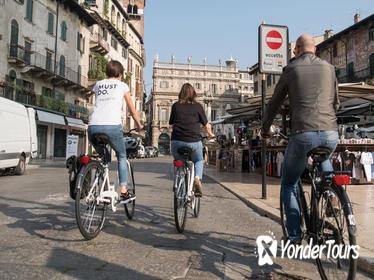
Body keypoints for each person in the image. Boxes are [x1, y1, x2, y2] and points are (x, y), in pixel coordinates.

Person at [262, 34, 340, 243]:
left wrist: (265, 129)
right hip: (331, 133)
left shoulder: (291, 69)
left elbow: (274, 104)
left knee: (289, 183)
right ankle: (331, 192)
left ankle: (295, 236)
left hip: (302, 133)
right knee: (324, 160)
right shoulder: (330, 68)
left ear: (296, 49)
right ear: (314, 49)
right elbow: (336, 103)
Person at [88, 60, 143, 203]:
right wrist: (138, 125)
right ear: (120, 74)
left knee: (104, 158)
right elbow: (131, 109)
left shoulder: (98, 84)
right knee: (121, 156)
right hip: (112, 126)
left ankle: (99, 185)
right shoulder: (122, 85)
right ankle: (124, 192)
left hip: (93, 126)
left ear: (107, 73)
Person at [169, 83, 215, 196]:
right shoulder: (198, 106)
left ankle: (179, 188)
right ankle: (197, 180)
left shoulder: (175, 106)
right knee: (199, 160)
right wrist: (210, 135)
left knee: (179, 164)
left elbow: (171, 124)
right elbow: (207, 125)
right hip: (194, 141)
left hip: (176, 141)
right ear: (193, 94)